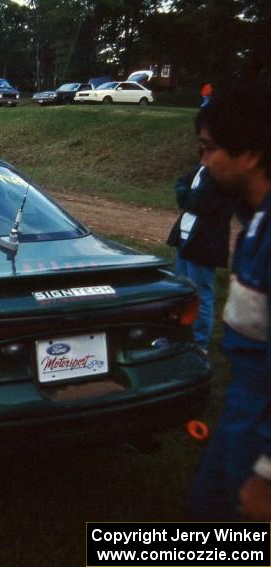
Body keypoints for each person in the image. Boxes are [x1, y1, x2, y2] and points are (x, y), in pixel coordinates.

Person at [187, 84, 271, 521]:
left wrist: (266, 473)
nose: (203, 160)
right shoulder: (255, 219)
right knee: (209, 509)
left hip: (260, 412)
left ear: (251, 153)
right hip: (241, 402)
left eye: (210, 148)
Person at [167, 163, 234, 349]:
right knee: (182, 290)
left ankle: (199, 344)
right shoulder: (202, 168)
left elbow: (200, 203)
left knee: (200, 295)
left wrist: (187, 196)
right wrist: (187, 194)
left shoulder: (221, 172)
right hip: (184, 238)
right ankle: (182, 336)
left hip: (205, 242)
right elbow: (181, 183)